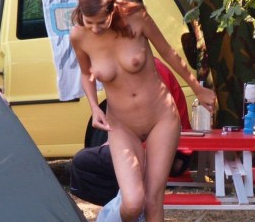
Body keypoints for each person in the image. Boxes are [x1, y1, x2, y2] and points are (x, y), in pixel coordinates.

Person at [70, 0, 216, 222]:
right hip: (121, 125)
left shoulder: (136, 18)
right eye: (88, 21)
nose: (94, 28)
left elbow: (169, 53)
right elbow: (86, 74)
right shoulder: (79, 34)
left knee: (152, 200)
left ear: (113, 10)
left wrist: (197, 87)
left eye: (100, 22)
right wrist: (94, 106)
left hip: (161, 117)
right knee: (132, 201)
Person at [69, 58, 193, 207]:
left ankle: (131, 207)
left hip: (170, 153)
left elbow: (155, 122)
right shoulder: (139, 67)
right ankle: (127, 206)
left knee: (81, 163)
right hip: (166, 149)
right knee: (84, 165)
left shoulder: (150, 71)